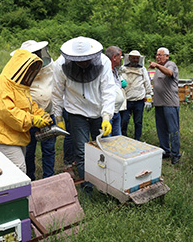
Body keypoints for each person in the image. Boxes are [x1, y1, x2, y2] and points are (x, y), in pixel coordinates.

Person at [52, 36, 115, 192]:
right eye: (78, 60)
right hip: (76, 113)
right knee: (81, 151)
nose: (82, 63)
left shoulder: (104, 62)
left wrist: (107, 116)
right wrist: (58, 116)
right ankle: (87, 185)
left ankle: (105, 183)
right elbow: (57, 91)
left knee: (102, 150)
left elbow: (108, 90)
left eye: (85, 60)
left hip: (99, 113)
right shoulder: (60, 64)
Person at [0, 49, 51, 173]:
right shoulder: (1, 84)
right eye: (29, 69)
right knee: (18, 170)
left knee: (10, 171)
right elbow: (8, 112)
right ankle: (19, 193)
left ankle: (6, 191)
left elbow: (29, 105)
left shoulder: (20, 87)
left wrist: (40, 114)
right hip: (2, 137)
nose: (30, 73)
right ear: (20, 66)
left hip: (15, 136)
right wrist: (32, 120)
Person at [15, 40, 58, 180]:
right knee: (28, 151)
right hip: (28, 118)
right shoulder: (17, 72)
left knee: (49, 149)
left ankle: (49, 178)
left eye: (37, 53)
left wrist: (59, 116)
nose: (37, 56)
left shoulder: (52, 67)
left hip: (48, 115)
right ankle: (29, 179)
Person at [149, 47, 181, 165]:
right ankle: (165, 151)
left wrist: (157, 66)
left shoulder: (170, 64)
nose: (158, 57)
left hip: (170, 104)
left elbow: (169, 73)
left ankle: (175, 154)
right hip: (159, 104)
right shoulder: (158, 68)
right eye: (157, 55)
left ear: (167, 56)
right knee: (161, 129)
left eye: (161, 55)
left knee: (173, 130)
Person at [120, 50, 153, 141]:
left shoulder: (142, 69)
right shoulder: (122, 69)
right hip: (126, 100)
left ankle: (137, 139)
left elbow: (147, 83)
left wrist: (149, 98)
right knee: (124, 121)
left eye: (137, 58)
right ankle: (123, 138)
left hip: (139, 100)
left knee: (138, 121)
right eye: (133, 58)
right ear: (129, 58)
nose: (135, 60)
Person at [105, 46, 126, 137]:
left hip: (116, 111)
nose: (121, 59)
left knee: (117, 138)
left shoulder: (115, 70)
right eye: (120, 57)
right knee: (107, 140)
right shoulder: (104, 71)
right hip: (107, 113)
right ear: (114, 57)